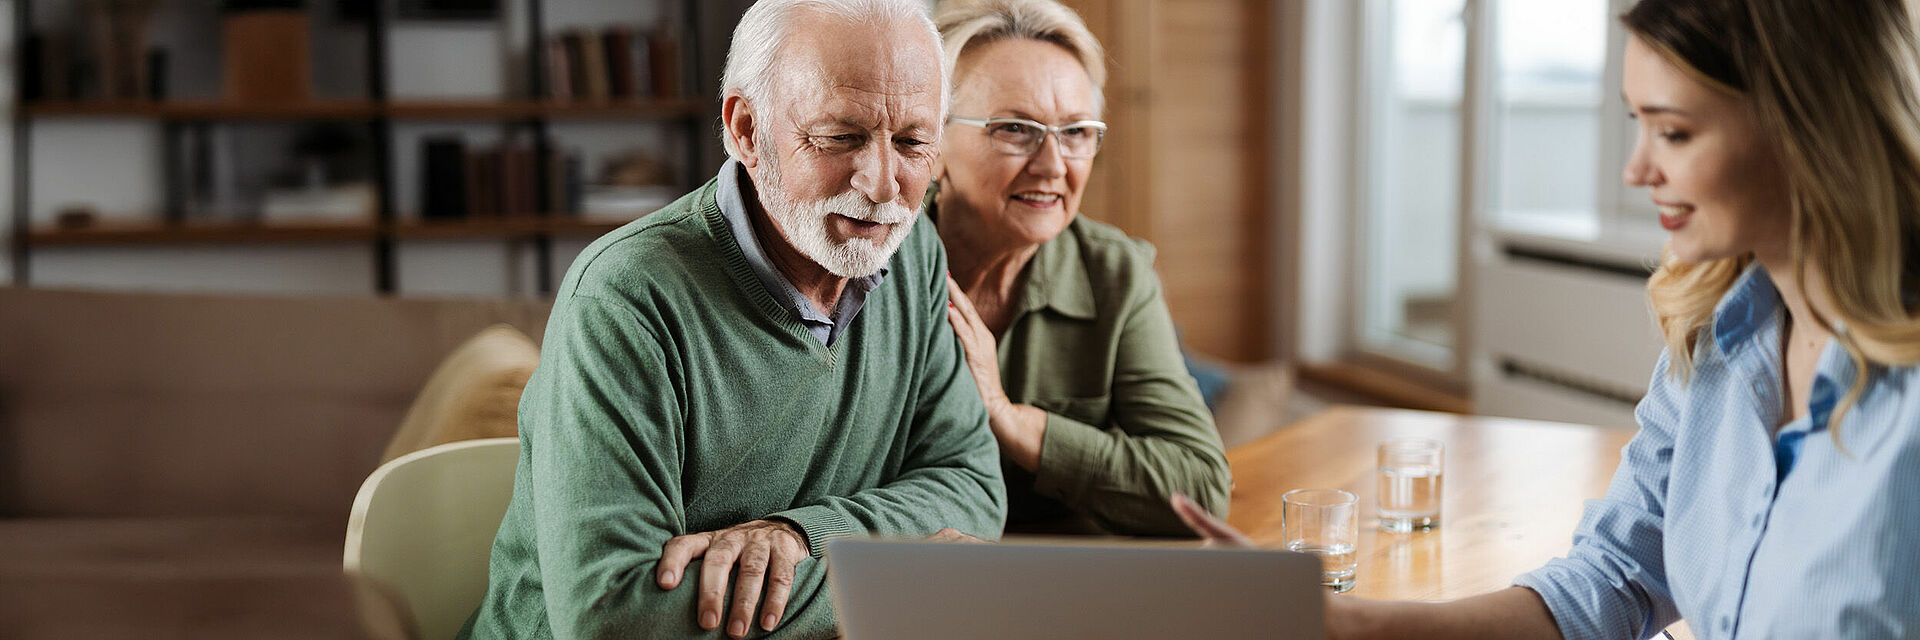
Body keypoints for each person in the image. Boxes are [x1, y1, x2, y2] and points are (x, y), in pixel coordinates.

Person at [1177, 0, 1920, 637]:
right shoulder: (1714, 336)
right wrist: (1342, 620)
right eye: (1637, 124)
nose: (1637, 170)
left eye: (1674, 132)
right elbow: (1612, 580)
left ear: (1807, 125)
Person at [457, 1, 1007, 638]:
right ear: (747, 129)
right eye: (839, 138)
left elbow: (972, 485)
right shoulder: (623, 300)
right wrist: (896, 576)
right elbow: (612, 616)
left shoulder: (912, 254)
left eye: (913, 141)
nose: (885, 186)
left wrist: (804, 535)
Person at [927, 0, 1232, 537]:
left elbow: (1201, 488)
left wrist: (1010, 419)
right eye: (1016, 129)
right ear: (930, 141)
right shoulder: (870, 267)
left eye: (1075, 133)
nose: (1052, 166)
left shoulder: (1117, 274)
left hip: (1065, 582)